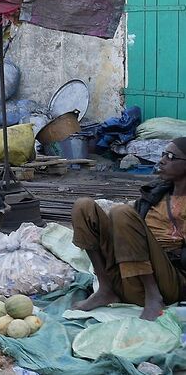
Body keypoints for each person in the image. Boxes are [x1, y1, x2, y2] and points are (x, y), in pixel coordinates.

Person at [71, 137, 186, 320]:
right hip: (129, 278)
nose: (162, 160)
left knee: (121, 213)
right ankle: (105, 288)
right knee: (83, 207)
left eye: (171, 156)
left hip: (169, 281)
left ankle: (153, 296)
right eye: (163, 154)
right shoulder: (156, 193)